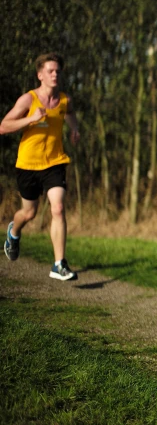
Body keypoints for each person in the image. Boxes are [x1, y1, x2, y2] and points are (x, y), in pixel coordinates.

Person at [1, 52, 80, 281]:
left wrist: (74, 129)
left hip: (55, 162)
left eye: (58, 71)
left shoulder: (65, 100)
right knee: (29, 212)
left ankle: (59, 264)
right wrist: (30, 119)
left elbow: (71, 114)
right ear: (40, 75)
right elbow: (3, 126)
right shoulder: (29, 100)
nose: (55, 74)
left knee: (57, 207)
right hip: (28, 164)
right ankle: (13, 233)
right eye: (50, 71)